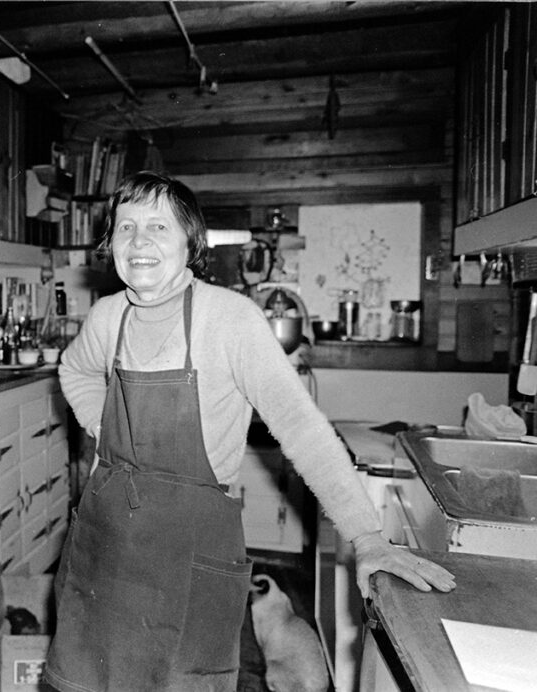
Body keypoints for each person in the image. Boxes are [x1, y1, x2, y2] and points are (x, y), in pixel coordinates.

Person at [44, 171, 455, 692]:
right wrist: (106, 428)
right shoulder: (108, 317)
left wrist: (367, 537)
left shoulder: (230, 319)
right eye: (126, 227)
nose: (139, 241)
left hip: (190, 551)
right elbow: (74, 370)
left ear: (190, 243)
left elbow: (302, 428)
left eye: (158, 227)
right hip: (108, 544)